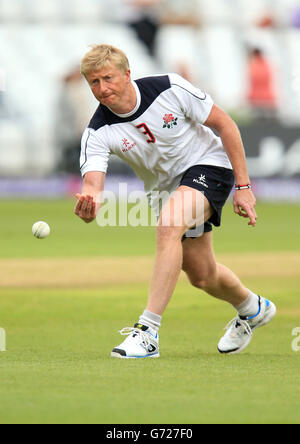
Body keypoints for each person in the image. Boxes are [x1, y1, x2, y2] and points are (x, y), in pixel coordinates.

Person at [75, 44, 276, 358]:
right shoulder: (97, 132)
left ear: (127, 75)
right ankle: (253, 308)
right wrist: (90, 206)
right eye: (94, 83)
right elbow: (92, 188)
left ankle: (147, 332)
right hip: (166, 190)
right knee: (201, 275)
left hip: (209, 165)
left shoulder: (168, 87)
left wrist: (244, 186)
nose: (102, 88)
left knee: (168, 226)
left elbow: (225, 124)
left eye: (108, 78)